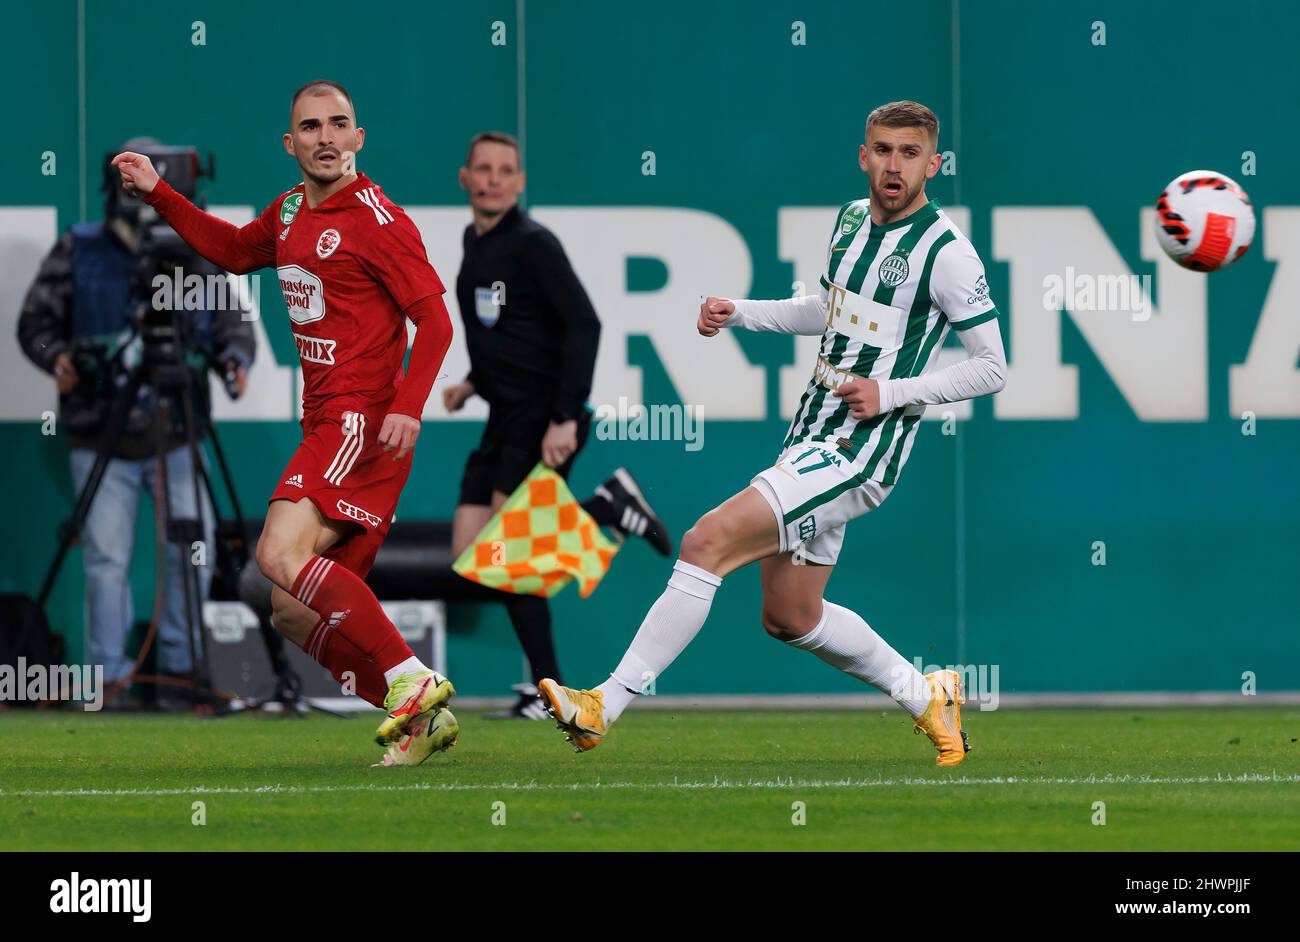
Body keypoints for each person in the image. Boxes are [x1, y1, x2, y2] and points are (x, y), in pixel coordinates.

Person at [537, 101, 1007, 766]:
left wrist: (891, 392)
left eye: (908, 153)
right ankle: (928, 695)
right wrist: (742, 313)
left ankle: (601, 706)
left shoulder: (948, 255)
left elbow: (992, 367)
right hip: (810, 436)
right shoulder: (849, 221)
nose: (893, 164)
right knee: (790, 615)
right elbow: (827, 309)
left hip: (859, 452)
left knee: (706, 540)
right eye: (882, 149)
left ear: (933, 164)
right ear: (863, 155)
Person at [112, 80, 458, 765]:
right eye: (311, 127)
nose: (326, 138)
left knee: (275, 555)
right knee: (294, 611)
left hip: (359, 423)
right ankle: (420, 720)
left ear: (359, 137)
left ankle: (410, 680)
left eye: (339, 125)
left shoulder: (380, 221)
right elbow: (237, 251)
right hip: (328, 425)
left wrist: (409, 406)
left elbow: (436, 322)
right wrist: (159, 192)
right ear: (290, 143)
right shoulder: (292, 209)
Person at [18, 138, 255, 708]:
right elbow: (36, 323)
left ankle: (178, 668)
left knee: (191, 552)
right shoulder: (78, 248)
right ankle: (108, 678)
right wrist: (59, 357)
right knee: (106, 558)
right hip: (102, 430)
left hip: (180, 427)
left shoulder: (195, 247)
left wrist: (235, 361)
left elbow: (233, 322)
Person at [444, 131, 671, 720]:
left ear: (519, 183)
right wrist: (473, 380)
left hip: (542, 417)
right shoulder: (475, 239)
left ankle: (550, 693)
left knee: (509, 556)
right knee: (474, 554)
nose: (493, 179)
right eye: (483, 169)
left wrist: (566, 416)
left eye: (506, 171)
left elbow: (585, 325)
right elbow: (512, 331)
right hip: (502, 415)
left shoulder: (533, 244)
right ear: (465, 178)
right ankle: (609, 508)